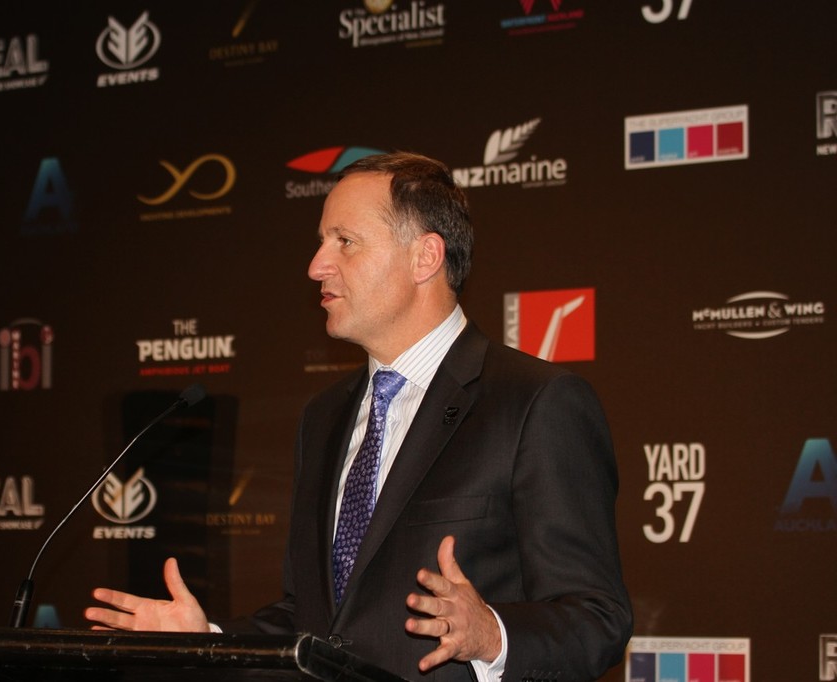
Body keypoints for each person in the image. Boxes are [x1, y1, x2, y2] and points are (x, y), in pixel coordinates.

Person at [85, 152, 633, 681]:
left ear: (424, 257)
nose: (317, 266)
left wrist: (492, 633)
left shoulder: (536, 402)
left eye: (344, 242)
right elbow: (313, 622)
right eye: (322, 242)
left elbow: (596, 619)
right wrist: (208, 638)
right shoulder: (324, 417)